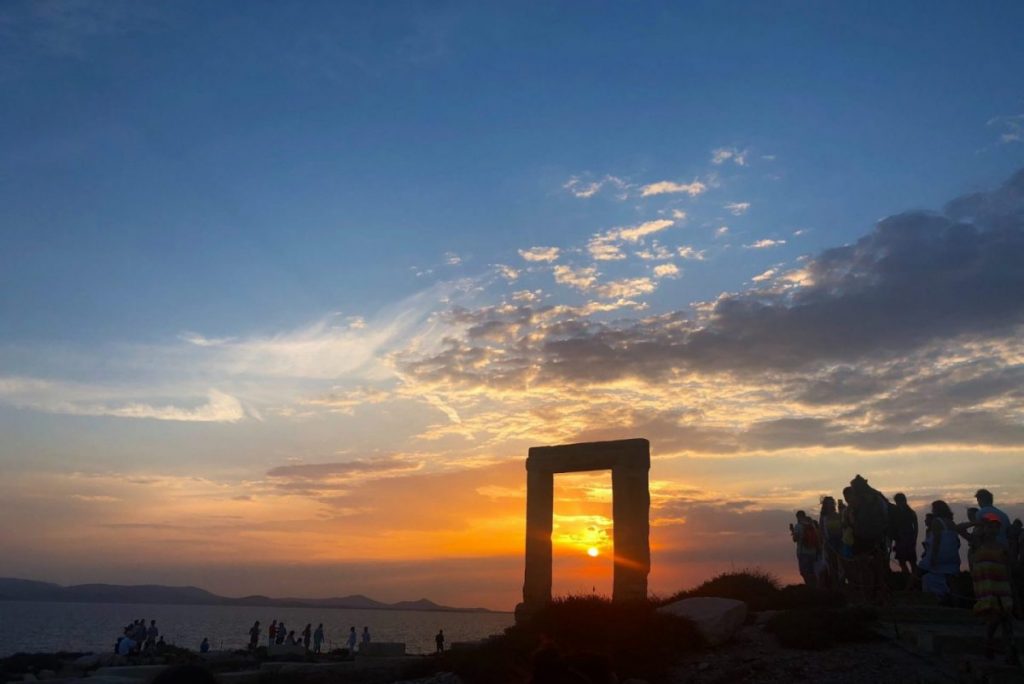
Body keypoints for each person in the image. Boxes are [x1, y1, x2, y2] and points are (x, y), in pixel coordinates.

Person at [972, 513, 1018, 665]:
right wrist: (978, 523)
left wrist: (1013, 589)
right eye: (989, 527)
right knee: (994, 619)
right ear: (984, 529)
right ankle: (990, 645)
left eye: (995, 527)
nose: (992, 530)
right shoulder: (977, 544)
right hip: (987, 588)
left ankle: (1008, 652)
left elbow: (1009, 567)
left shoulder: (1003, 547)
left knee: (1006, 620)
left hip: (1002, 586)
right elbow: (958, 528)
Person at [920, 500, 960, 603]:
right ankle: (956, 602)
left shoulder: (937, 521)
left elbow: (936, 541)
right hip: (952, 554)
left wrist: (933, 557)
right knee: (951, 580)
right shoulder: (951, 522)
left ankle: (932, 599)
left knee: (922, 571)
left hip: (940, 554)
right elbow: (957, 541)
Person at [891, 493, 919, 588]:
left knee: (910, 562)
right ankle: (910, 582)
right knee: (905, 562)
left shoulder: (907, 512)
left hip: (906, 538)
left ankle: (911, 583)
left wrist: (913, 539)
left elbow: (916, 528)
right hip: (903, 538)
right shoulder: (909, 512)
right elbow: (916, 529)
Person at [819, 496, 843, 588]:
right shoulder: (823, 517)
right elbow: (821, 530)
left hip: (840, 541)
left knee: (842, 564)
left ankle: (841, 583)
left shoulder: (838, 514)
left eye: (832, 502)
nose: (830, 504)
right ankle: (835, 584)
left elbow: (843, 525)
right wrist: (823, 543)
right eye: (828, 503)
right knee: (832, 564)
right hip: (829, 542)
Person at [790, 510, 818, 588]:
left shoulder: (798, 526)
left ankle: (810, 587)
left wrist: (792, 531)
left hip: (802, 552)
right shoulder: (812, 525)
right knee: (812, 571)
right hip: (813, 552)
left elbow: (795, 539)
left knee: (804, 571)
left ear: (798, 517)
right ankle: (815, 587)